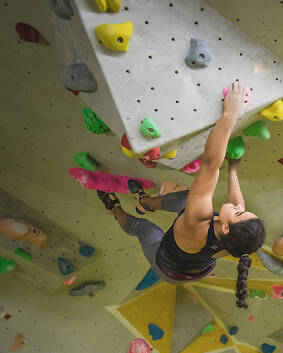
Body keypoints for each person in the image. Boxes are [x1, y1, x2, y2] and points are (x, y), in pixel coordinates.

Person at [96, 82, 265, 308]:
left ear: (226, 229)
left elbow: (210, 165)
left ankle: (114, 208)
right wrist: (233, 169)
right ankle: (145, 202)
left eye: (239, 212)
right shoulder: (237, 244)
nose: (238, 206)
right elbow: (236, 205)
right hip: (199, 267)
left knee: (144, 228)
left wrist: (230, 113)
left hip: (167, 266)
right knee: (187, 199)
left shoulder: (198, 221)